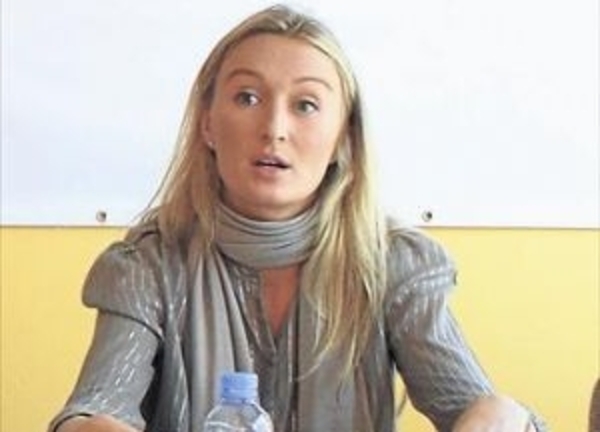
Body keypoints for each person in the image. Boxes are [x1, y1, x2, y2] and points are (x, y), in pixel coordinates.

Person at [49, 4, 547, 432]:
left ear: (343, 139)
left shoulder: (394, 263)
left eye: (306, 105)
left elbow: (477, 408)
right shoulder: (147, 264)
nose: (274, 128)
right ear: (207, 124)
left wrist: (498, 413)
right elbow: (94, 409)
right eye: (247, 98)